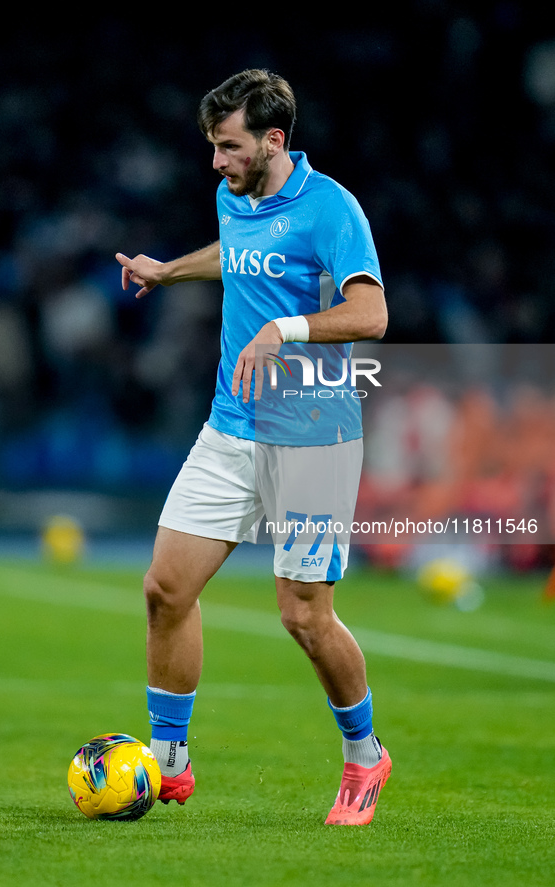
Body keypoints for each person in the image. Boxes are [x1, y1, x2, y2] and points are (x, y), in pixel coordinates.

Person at [115, 68, 391, 826]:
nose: (215, 163)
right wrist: (169, 270)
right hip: (229, 426)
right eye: (211, 147)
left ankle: (364, 754)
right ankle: (168, 764)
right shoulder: (232, 195)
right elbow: (237, 252)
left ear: (274, 140)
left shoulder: (331, 209)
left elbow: (370, 312)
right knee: (165, 589)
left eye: (228, 146)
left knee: (303, 616)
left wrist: (286, 329)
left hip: (311, 436)